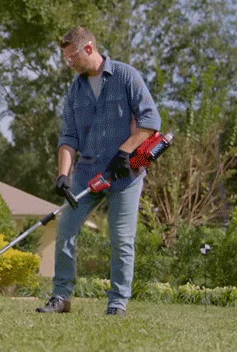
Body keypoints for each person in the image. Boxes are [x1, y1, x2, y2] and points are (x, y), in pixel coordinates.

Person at [36, 27, 161, 316]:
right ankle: (61, 297)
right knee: (65, 231)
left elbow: (150, 121)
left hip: (125, 175)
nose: (69, 63)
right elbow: (68, 137)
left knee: (121, 239)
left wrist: (124, 152)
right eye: (66, 58)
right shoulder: (75, 90)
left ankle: (117, 303)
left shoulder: (126, 76)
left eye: (72, 57)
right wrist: (63, 175)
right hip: (86, 173)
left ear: (89, 48)